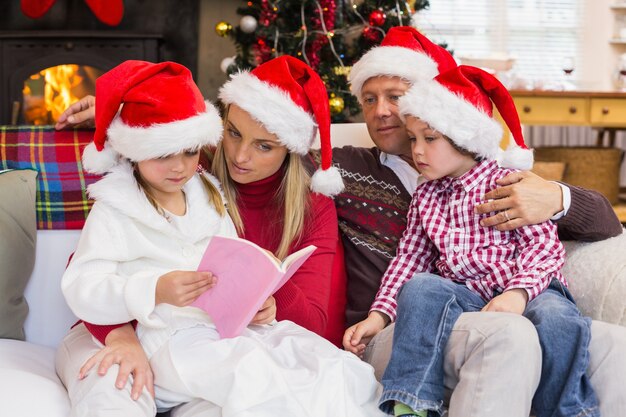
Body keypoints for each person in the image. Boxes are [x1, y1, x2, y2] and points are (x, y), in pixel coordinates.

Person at [56, 28, 626, 417]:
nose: (381, 112)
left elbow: (602, 224)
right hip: (409, 326)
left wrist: (554, 197)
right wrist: (122, 113)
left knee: (611, 348)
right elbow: (208, 145)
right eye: (370, 96)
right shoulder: (339, 170)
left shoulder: (492, 177)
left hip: (492, 300)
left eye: (397, 97)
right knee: (509, 337)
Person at [57, 58, 383, 417]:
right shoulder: (196, 168)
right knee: (248, 372)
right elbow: (85, 275)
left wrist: (265, 294)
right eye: (233, 133)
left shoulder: (209, 192)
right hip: (157, 333)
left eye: (264, 146)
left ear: (289, 148)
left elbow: (310, 319)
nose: (239, 157)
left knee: (325, 367)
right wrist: (112, 115)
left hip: (219, 332)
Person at [346, 64, 599, 417]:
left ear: (465, 138)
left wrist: (517, 293)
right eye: (413, 137)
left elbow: (544, 250)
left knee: (561, 321)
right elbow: (409, 260)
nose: (417, 150)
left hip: (528, 290)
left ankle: (565, 410)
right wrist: (379, 315)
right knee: (419, 287)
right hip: (465, 294)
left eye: (429, 139)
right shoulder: (426, 194)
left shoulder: (510, 182)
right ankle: (412, 402)